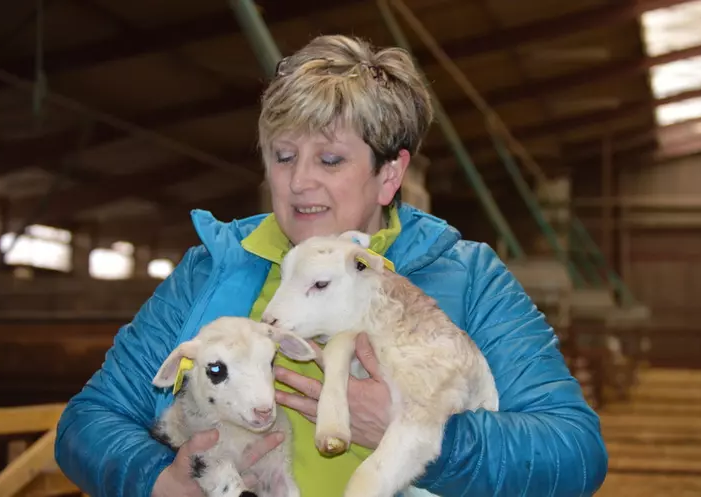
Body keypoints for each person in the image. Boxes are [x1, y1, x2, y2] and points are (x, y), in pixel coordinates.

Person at [54, 34, 608, 497]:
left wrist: (413, 430)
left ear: (389, 175)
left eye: (331, 159)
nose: (299, 183)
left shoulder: (466, 278)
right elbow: (89, 421)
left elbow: (573, 452)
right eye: (284, 155)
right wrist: (156, 480)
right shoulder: (214, 269)